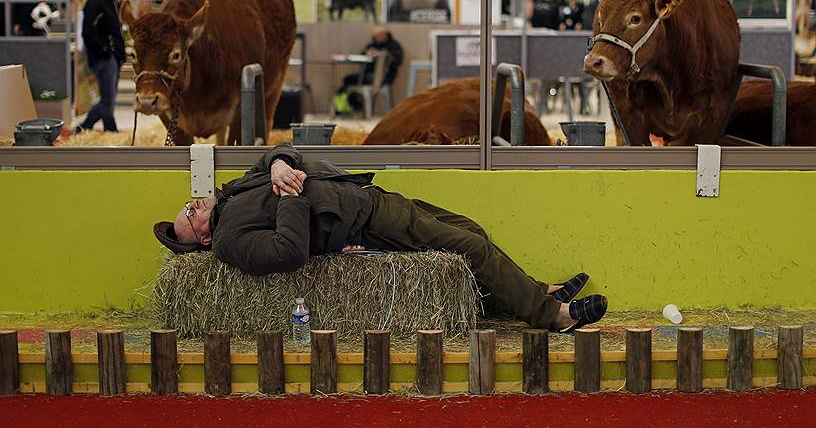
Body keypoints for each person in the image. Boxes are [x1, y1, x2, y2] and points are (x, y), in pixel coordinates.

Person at [153, 145, 608, 333]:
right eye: (191, 214)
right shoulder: (231, 241)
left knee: (470, 231)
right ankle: (552, 315)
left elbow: (278, 153)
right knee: (467, 247)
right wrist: (289, 191)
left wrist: (278, 164)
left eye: (191, 203)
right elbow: (287, 253)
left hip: (363, 195)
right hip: (362, 220)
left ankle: (531, 289)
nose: (195, 204)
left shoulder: (233, 193)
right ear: (202, 240)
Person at [76, 0, 125, 133]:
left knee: (109, 99)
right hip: (103, 58)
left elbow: (115, 30)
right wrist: (106, 50)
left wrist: (120, 53)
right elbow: (87, 32)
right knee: (107, 100)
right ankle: (88, 128)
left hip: (112, 57)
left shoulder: (112, 0)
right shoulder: (96, 2)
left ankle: (104, 130)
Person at [333, 26, 403, 114]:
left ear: (385, 35)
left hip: (385, 77)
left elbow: (398, 60)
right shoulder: (372, 45)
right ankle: (345, 107)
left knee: (360, 80)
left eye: (379, 36)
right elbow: (362, 57)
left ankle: (351, 107)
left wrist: (381, 54)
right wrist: (368, 54)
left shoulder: (394, 46)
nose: (377, 38)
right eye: (375, 36)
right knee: (347, 79)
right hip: (367, 74)